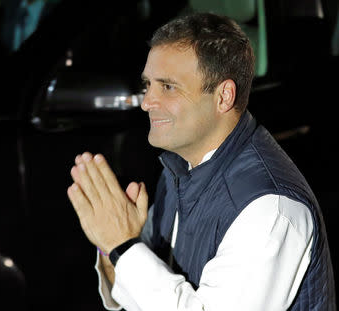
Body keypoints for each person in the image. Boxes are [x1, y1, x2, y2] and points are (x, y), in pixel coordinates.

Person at [67, 13, 336, 311]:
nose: (147, 102)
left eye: (168, 87)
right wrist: (112, 247)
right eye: (148, 85)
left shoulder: (270, 208)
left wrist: (122, 246)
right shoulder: (179, 169)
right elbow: (146, 290)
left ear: (224, 96)